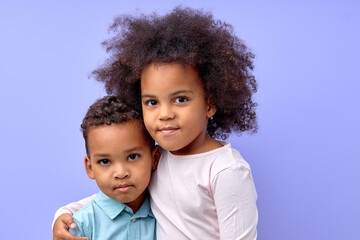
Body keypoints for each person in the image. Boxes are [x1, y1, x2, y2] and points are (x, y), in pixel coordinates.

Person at [53, 7, 258, 240]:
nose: (164, 114)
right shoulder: (157, 157)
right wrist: (64, 214)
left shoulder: (226, 170)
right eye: (152, 102)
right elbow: (112, 196)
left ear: (210, 103)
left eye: (180, 99)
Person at [55, 96, 161, 240]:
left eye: (133, 157)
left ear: (154, 159)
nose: (121, 173)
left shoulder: (166, 211)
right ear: (90, 167)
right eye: (105, 161)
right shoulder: (80, 226)